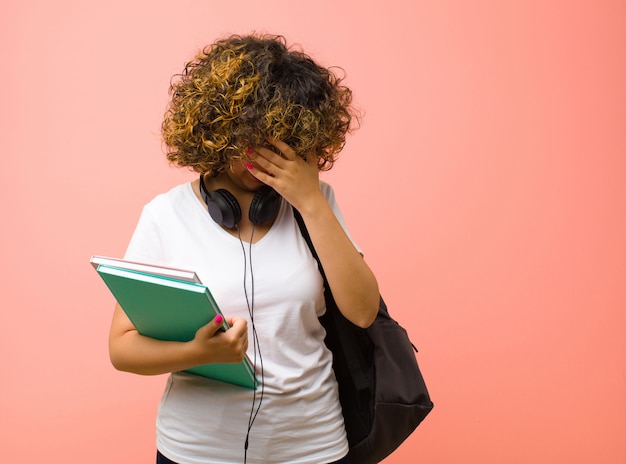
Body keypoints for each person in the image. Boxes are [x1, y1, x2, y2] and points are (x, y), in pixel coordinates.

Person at [108, 33, 379, 464]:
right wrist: (200, 353)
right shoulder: (166, 215)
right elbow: (122, 349)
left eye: (284, 143)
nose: (266, 160)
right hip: (197, 450)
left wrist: (309, 201)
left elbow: (363, 311)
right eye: (253, 142)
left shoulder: (316, 201)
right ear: (218, 133)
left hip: (314, 445)